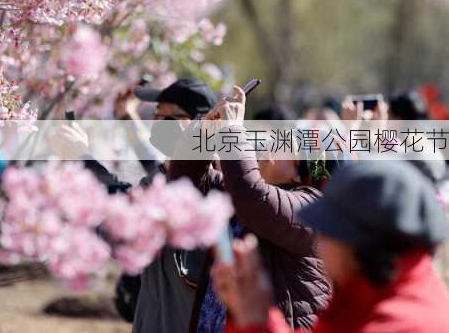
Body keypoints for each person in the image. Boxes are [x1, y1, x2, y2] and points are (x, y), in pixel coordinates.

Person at [50, 77, 217, 328]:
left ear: (196, 124)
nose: (155, 125)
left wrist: (82, 158)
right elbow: (149, 164)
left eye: (165, 119)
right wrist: (126, 118)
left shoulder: (202, 188)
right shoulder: (171, 176)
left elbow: (126, 211)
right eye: (155, 116)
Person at [168, 86, 335, 331]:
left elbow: (251, 196)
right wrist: (205, 131)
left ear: (300, 170)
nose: (269, 144)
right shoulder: (238, 191)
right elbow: (185, 184)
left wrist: (233, 129)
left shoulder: (311, 209)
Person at [213, 161, 449, 333]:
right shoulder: (366, 293)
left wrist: (256, 322)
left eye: (327, 231)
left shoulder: (402, 323)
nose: (321, 244)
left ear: (358, 243)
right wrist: (258, 317)